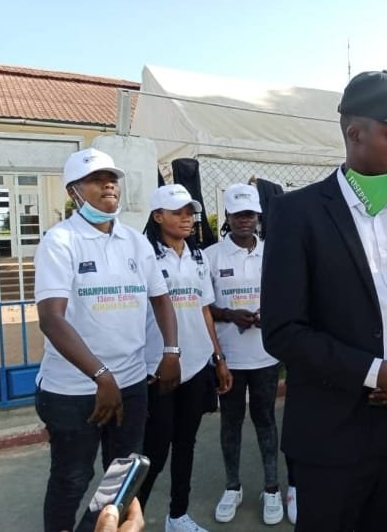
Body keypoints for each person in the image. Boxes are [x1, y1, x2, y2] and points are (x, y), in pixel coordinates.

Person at [260, 70, 387, 532]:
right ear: (355, 133)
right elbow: (283, 331)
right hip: (332, 436)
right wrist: (375, 373)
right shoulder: (297, 213)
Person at [34, 148, 179, 532]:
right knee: (72, 478)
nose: (108, 185)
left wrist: (170, 350)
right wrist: (101, 375)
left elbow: (161, 298)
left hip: (130, 384)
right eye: (96, 179)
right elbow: (50, 318)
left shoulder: (135, 242)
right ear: (73, 192)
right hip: (73, 390)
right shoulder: (60, 241)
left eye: (112, 178)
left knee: (122, 477)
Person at [137, 184, 233, 532]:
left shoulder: (198, 257)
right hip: (158, 368)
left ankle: (177, 515)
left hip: (195, 365)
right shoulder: (145, 256)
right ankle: (129, 519)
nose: (187, 218)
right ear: (157, 216)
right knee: (154, 450)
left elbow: (204, 310)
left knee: (186, 444)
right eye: (177, 212)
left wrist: (218, 357)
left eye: (190, 212)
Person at [204, 184, 284, 526]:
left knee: (266, 420)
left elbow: (287, 297)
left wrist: (271, 316)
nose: (243, 221)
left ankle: (272, 489)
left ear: (258, 217)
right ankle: (232, 487)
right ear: (228, 216)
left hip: (266, 356)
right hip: (230, 358)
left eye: (249, 214)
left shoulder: (273, 253)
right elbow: (204, 307)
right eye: (237, 215)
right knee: (231, 422)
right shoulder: (211, 256)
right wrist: (229, 314)